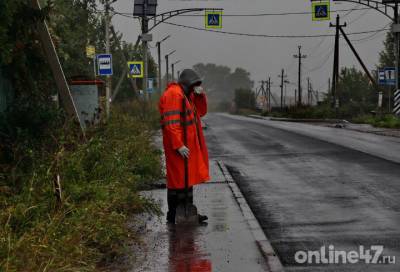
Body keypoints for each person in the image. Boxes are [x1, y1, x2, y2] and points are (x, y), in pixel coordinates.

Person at [159, 69, 210, 224]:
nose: (196, 87)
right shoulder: (174, 95)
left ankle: (186, 212)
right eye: (194, 84)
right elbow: (171, 123)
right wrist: (178, 145)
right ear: (187, 83)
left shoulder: (186, 96)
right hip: (178, 148)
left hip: (186, 147)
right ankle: (174, 213)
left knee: (186, 180)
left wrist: (200, 96)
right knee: (178, 181)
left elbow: (201, 112)